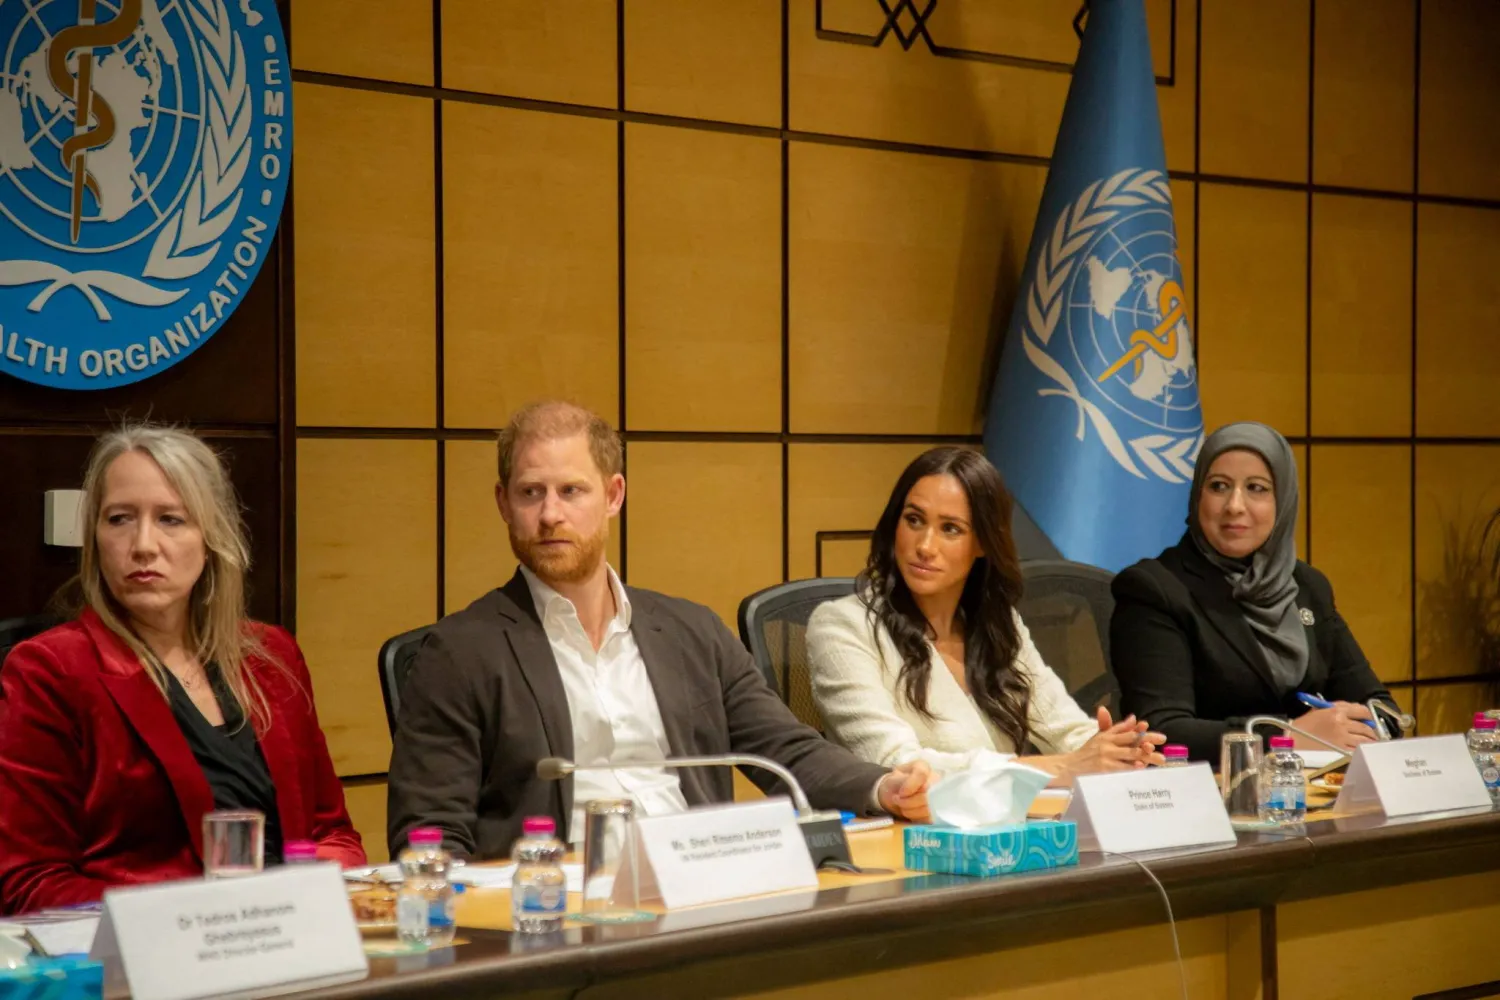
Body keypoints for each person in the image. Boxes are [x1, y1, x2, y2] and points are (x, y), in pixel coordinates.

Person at [387, 401, 933, 858]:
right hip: (560, 910)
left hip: (701, 882)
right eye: (531, 493)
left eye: (572, 491)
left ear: (614, 496)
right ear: (504, 504)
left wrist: (883, 786)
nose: (550, 514)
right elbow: (429, 836)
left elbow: (784, 751)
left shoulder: (691, 631)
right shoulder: (459, 653)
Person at [0, 425, 363, 914]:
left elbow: (331, 833)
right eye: (120, 519)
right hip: (144, 965)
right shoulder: (50, 670)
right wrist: (199, 915)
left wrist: (304, 898)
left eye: (171, 519)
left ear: (212, 537)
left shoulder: (271, 656)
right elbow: (27, 882)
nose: (143, 544)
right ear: (95, 538)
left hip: (287, 940)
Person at [806, 447, 1165, 785]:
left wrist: (1116, 751)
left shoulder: (997, 624)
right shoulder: (842, 628)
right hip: (915, 837)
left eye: (950, 529)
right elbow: (897, 763)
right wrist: (1057, 768)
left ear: (982, 543)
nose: (925, 546)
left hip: (1008, 829)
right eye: (914, 520)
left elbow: (1065, 730)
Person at [1110, 421, 1399, 762]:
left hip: (1310, 788)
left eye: (1257, 488)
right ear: (1197, 496)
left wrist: (1353, 724)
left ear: (1284, 502)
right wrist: (1290, 735)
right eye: (1219, 486)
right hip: (1209, 794)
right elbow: (1161, 731)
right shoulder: (1154, 589)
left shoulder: (1307, 586)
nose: (1235, 505)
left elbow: (1384, 712)